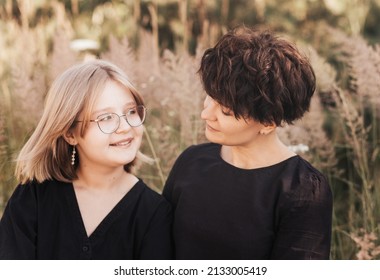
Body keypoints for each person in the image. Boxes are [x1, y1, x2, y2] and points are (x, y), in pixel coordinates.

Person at [163, 27, 333, 260]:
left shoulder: (303, 190)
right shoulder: (191, 161)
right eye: (210, 97)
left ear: (268, 122)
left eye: (225, 110)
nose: (206, 114)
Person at [0, 60, 173, 260]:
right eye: (106, 117)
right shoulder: (34, 196)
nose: (125, 126)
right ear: (70, 133)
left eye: (131, 111)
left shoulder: (154, 213)